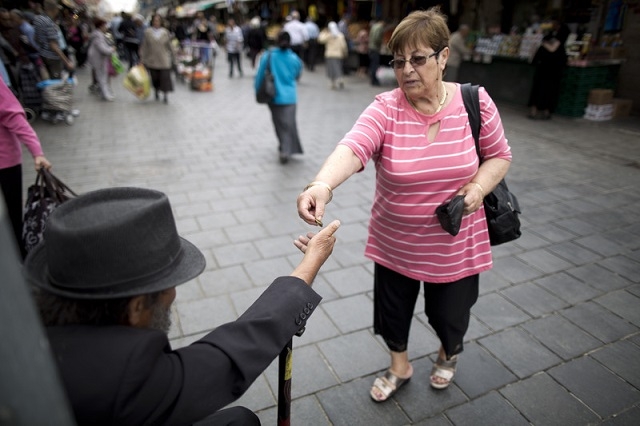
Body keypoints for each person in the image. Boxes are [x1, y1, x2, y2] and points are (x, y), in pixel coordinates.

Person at [296, 8, 512, 402]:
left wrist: (479, 187)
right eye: (398, 61)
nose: (407, 70)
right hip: (396, 242)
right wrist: (322, 185)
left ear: (443, 57)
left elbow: (499, 155)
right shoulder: (386, 108)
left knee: (450, 315)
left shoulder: (474, 102)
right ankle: (400, 364)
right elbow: (354, 146)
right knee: (392, 313)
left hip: (456, 243)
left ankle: (448, 353)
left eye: (418, 59)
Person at [25, 185, 340, 425]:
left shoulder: (27, 329)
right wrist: (309, 266)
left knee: (240, 421)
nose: (173, 294)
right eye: (166, 285)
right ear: (135, 307)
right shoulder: (122, 373)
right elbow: (225, 361)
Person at [0, 79, 52, 259]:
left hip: (4, 162)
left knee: (12, 218)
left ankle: (22, 261)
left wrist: (37, 152)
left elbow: (13, 115)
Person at [255, 31, 304, 165]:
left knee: (279, 124)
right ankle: (286, 148)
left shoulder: (269, 56)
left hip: (274, 96)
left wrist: (257, 89)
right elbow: (298, 74)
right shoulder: (294, 59)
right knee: (289, 124)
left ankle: (284, 148)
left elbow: (260, 75)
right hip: (290, 97)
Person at [527, 19, 569, 120]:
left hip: (553, 67)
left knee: (549, 89)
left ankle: (547, 111)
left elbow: (553, 48)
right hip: (543, 66)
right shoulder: (548, 33)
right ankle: (535, 111)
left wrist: (542, 42)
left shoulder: (562, 33)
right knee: (538, 88)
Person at [33, 0, 74, 79]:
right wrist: (67, 62)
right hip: (52, 57)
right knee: (56, 82)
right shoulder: (49, 23)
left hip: (43, 54)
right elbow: (53, 45)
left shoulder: (38, 19)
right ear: (55, 9)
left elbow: (36, 38)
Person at [140, 14, 174, 104]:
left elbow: (170, 46)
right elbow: (144, 46)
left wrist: (175, 57)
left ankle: (165, 95)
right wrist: (142, 59)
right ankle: (156, 91)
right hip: (152, 59)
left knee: (165, 78)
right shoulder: (148, 32)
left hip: (164, 59)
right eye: (155, 20)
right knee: (155, 78)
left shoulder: (165, 32)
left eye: (158, 20)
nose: (156, 22)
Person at [86, 17, 115, 102]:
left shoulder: (99, 35)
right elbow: (102, 48)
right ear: (101, 26)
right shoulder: (98, 36)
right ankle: (106, 94)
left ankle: (104, 93)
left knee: (103, 76)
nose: (106, 27)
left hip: (100, 59)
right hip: (98, 59)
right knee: (102, 77)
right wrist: (111, 50)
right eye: (105, 25)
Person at [318, 21, 348, 90]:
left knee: (331, 70)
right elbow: (344, 46)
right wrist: (345, 53)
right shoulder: (340, 35)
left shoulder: (328, 35)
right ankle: (340, 79)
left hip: (330, 55)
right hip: (338, 55)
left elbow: (320, 39)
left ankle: (333, 83)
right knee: (338, 68)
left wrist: (324, 32)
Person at [368, 17, 384, 86]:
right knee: (375, 64)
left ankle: (372, 79)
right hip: (375, 48)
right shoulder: (380, 27)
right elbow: (377, 38)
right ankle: (374, 80)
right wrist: (380, 43)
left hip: (371, 47)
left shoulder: (373, 26)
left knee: (372, 64)